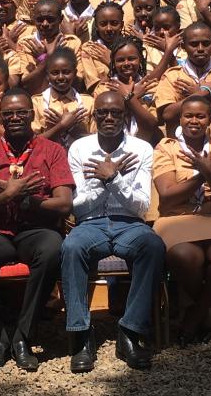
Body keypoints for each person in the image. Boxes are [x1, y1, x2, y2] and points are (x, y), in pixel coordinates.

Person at [0, 89, 74, 372]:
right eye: (8, 113)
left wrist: (27, 199)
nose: (15, 118)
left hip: (37, 229)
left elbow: (64, 204)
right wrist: (7, 196)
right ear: (0, 117)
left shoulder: (52, 150)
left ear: (32, 114)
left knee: (52, 250)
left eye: (21, 112)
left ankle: (23, 335)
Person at [62, 90, 164, 372]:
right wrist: (104, 180)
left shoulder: (141, 149)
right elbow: (76, 207)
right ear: (94, 116)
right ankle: (81, 336)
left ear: (125, 115)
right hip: (90, 224)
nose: (109, 117)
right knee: (71, 248)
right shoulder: (79, 149)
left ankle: (130, 332)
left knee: (152, 246)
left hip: (128, 223)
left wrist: (114, 178)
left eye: (115, 113)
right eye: (102, 113)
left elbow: (142, 207)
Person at [152, 96, 211, 344]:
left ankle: (195, 313)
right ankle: (207, 309)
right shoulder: (166, 147)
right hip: (175, 218)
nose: (194, 120)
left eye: (200, 116)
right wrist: (202, 175)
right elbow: (168, 197)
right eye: (188, 116)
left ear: (209, 120)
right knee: (184, 256)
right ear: (180, 119)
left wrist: (210, 172)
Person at [154, 22, 211, 139]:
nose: (201, 49)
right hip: (178, 148)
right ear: (183, 46)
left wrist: (199, 95)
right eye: (194, 44)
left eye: (206, 43)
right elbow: (167, 114)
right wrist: (205, 92)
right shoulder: (172, 76)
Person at [17, 0, 82, 92]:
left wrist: (42, 61)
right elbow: (26, 84)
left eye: (50, 19)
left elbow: (79, 83)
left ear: (61, 19)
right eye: (40, 19)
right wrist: (48, 57)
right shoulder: (26, 44)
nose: (45, 24)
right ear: (33, 19)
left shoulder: (72, 42)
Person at [32, 47, 92, 148]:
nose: (60, 77)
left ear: (75, 73)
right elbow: (33, 143)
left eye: (66, 72)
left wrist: (72, 128)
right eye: (55, 73)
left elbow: (95, 139)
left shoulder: (88, 102)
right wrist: (61, 126)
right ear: (47, 75)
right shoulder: (37, 102)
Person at [78, 2, 127, 91]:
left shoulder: (131, 48)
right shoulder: (89, 50)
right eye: (103, 24)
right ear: (96, 26)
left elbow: (137, 79)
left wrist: (112, 63)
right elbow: (94, 89)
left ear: (122, 25)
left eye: (114, 23)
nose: (109, 28)